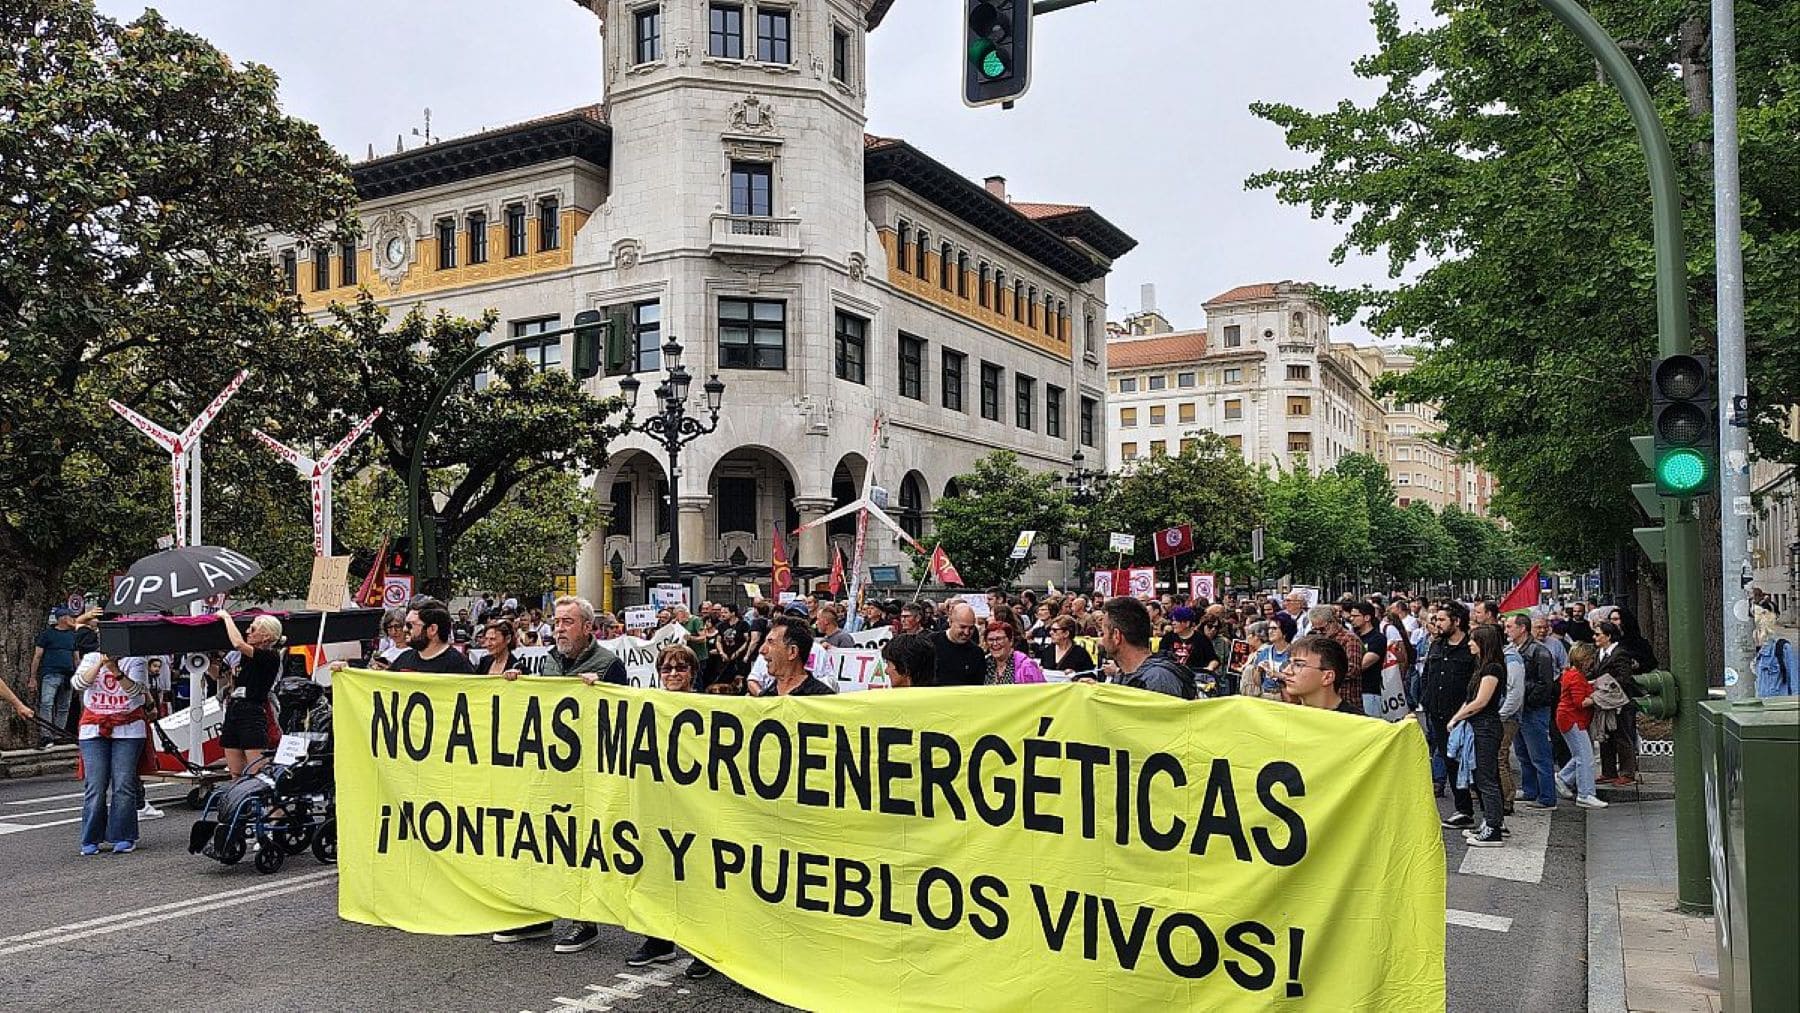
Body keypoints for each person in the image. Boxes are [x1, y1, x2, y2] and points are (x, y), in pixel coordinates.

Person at [625, 645, 718, 981]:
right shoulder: (648, 704)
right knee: (657, 875)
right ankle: (658, 940)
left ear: (693, 673)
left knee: (699, 881)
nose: (674, 674)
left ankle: (705, 949)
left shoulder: (709, 708)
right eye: (667, 669)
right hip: (658, 806)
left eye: (681, 669)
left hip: (696, 810)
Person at [70, 650, 148, 855]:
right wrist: (100, 664)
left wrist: (115, 669)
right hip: (94, 727)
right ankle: (91, 837)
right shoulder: (90, 658)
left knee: (123, 783)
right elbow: (78, 684)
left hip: (128, 727)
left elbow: (136, 691)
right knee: (95, 784)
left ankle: (123, 835)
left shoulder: (136, 660)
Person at [1448, 624, 1508, 848]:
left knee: (1486, 778)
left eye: (1474, 640)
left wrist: (1456, 718)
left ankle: (1493, 828)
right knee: (1482, 776)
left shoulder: (1492, 669)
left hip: (1486, 727)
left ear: (1484, 643)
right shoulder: (1482, 666)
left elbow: (1481, 701)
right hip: (1478, 726)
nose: (1470, 643)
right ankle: (1491, 821)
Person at [215, 611, 285, 778]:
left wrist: (226, 617)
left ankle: (268, 803)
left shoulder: (270, 656)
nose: (248, 632)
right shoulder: (247, 656)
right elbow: (217, 674)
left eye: (252, 629)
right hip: (234, 708)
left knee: (257, 772)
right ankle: (237, 799)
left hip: (252, 710)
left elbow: (238, 643)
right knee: (235, 772)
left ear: (266, 636)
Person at [1421, 603, 1475, 811]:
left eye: (1442, 620)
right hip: (1437, 712)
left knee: (1471, 762)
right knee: (1449, 761)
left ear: (1457, 621)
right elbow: (1427, 672)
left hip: (1462, 714)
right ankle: (1463, 809)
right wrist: (1426, 699)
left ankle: (1491, 814)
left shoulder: (1470, 647)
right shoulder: (1437, 645)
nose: (1437, 624)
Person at [1505, 613, 1559, 811]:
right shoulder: (1516, 650)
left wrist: (1526, 698)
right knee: (1522, 752)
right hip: (1521, 708)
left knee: (1539, 754)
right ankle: (1531, 789)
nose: (1507, 630)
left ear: (1522, 628)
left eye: (1510, 626)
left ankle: (1547, 796)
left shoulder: (1539, 651)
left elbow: (1545, 683)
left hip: (1532, 709)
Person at [1098, 597, 1197, 699]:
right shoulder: (1126, 674)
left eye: (1103, 633)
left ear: (1116, 636)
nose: (1101, 640)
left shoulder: (1158, 680)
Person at [1554, 642, 1608, 809]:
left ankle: (1562, 778)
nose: (1592, 662)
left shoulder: (1571, 674)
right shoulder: (1576, 676)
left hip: (1567, 718)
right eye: (1590, 659)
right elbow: (1580, 702)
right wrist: (1598, 697)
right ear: (1584, 659)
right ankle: (1586, 794)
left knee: (1581, 755)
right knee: (1586, 757)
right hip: (1573, 719)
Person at [1591, 620, 1639, 785]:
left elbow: (1624, 678)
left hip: (1620, 702)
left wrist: (1603, 685)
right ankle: (1608, 770)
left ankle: (1627, 772)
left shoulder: (1620, 653)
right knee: (1605, 736)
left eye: (1598, 634)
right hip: (1605, 703)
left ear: (1608, 636)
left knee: (1622, 735)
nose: (1595, 637)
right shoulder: (1599, 653)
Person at [31, 606, 81, 747]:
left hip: (68, 675)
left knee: (64, 706)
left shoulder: (72, 636)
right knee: (47, 703)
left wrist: (79, 677)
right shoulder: (47, 634)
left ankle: (59, 733)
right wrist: (33, 677)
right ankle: (47, 735)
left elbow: (76, 658)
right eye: (69, 616)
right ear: (63, 618)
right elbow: (37, 656)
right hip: (50, 673)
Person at [752, 616, 836, 696]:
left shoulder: (823, 698)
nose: (762, 650)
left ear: (792, 652)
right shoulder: (766, 697)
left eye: (771, 642)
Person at [1308, 605, 1367, 708]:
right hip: (1323, 700)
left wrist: (1322, 673)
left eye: (1322, 628)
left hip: (1346, 699)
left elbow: (1353, 669)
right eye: (1315, 629)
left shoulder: (1349, 639)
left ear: (1332, 622)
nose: (1319, 632)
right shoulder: (1318, 640)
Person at [390, 603, 475, 674]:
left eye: (410, 625)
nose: (404, 629)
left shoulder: (459, 665)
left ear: (432, 629)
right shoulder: (403, 659)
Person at [1281, 634, 1358, 712]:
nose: (1286, 671)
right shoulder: (1286, 717)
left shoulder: (1359, 722)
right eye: (1288, 663)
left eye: (1298, 665)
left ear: (1327, 677)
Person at [1158, 607, 1218, 692]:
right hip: (1171, 678)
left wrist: (1209, 668)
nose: (1173, 623)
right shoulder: (1168, 638)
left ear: (1187, 623)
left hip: (1195, 679)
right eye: (1173, 620)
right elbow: (1160, 658)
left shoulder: (1201, 639)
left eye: (1176, 621)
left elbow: (1214, 659)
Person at [930, 604, 987, 687]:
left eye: (971, 628)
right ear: (950, 622)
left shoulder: (976, 653)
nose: (967, 632)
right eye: (962, 627)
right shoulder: (929, 644)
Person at [981, 621, 1045, 685]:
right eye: (990, 640)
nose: (995, 644)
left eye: (999, 639)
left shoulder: (1027, 666)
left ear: (1011, 641)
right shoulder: (984, 664)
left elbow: (1040, 692)